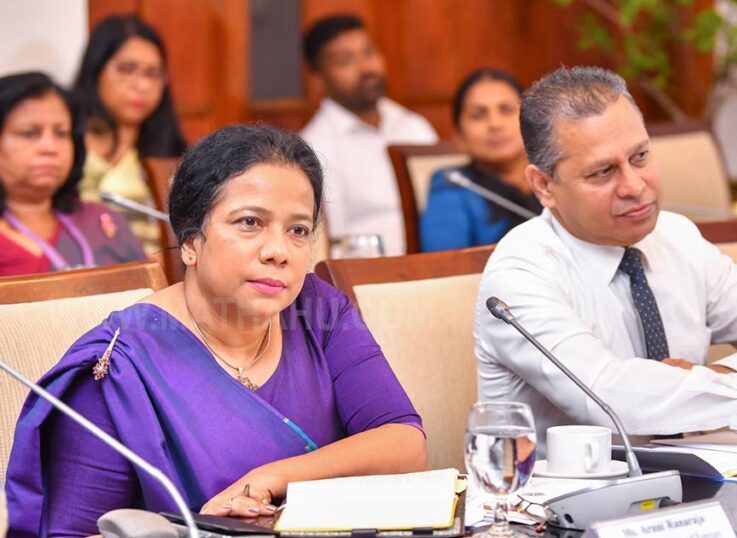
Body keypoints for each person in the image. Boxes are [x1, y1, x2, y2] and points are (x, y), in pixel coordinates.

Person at [5, 125, 427, 536]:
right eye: (250, 222)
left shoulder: (319, 312)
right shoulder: (118, 366)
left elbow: (406, 444)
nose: (278, 251)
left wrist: (269, 479)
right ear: (191, 242)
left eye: (298, 230)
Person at [474, 66, 737, 451]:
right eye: (603, 172)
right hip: (570, 487)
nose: (634, 185)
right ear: (544, 185)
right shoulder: (520, 273)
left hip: (702, 478)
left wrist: (722, 376)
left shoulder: (676, 236)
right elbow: (611, 398)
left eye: (640, 156)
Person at [301, 14, 437, 256]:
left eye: (368, 52)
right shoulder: (313, 148)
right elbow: (331, 245)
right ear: (319, 77)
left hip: (434, 264)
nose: (365, 68)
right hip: (366, 273)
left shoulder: (414, 127)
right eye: (345, 60)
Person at [0, 72, 145, 277]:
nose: (50, 148)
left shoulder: (101, 220)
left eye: (61, 133)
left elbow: (150, 290)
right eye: (29, 133)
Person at [72, 14, 188, 255]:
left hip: (152, 273)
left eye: (153, 74)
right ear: (95, 70)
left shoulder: (172, 157)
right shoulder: (63, 143)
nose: (141, 85)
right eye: (127, 69)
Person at [419, 68, 540, 251]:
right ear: (459, 136)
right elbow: (445, 263)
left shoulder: (556, 176)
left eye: (506, 110)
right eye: (478, 115)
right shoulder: (452, 185)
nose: (495, 124)